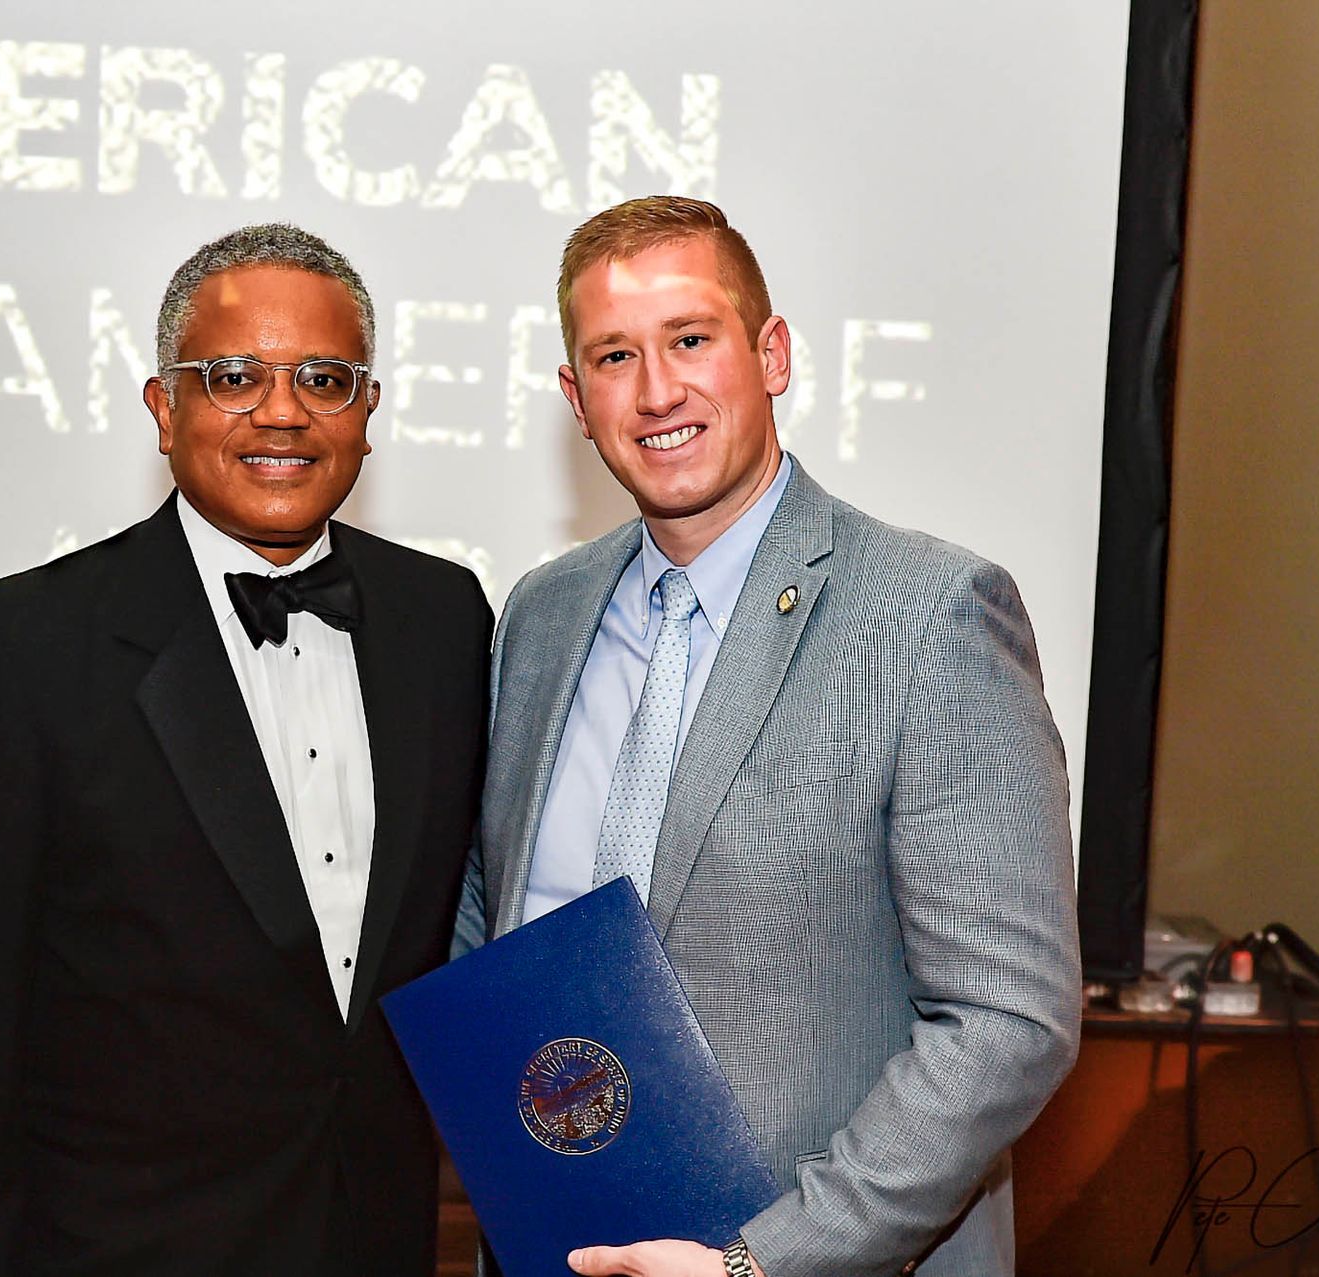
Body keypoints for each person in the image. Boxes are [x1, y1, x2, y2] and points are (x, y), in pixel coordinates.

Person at [456, 197, 1080, 1277]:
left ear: (773, 353)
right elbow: (494, 924)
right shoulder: (541, 616)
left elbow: (1007, 1016)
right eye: (615, 356)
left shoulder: (929, 614)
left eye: (691, 339)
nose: (657, 390)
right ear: (576, 397)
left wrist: (757, 1264)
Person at [0, 223, 492, 1276]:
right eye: (234, 377)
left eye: (324, 379)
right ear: (166, 409)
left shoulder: (442, 618)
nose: (283, 411)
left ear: (368, 411)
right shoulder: (22, 650)